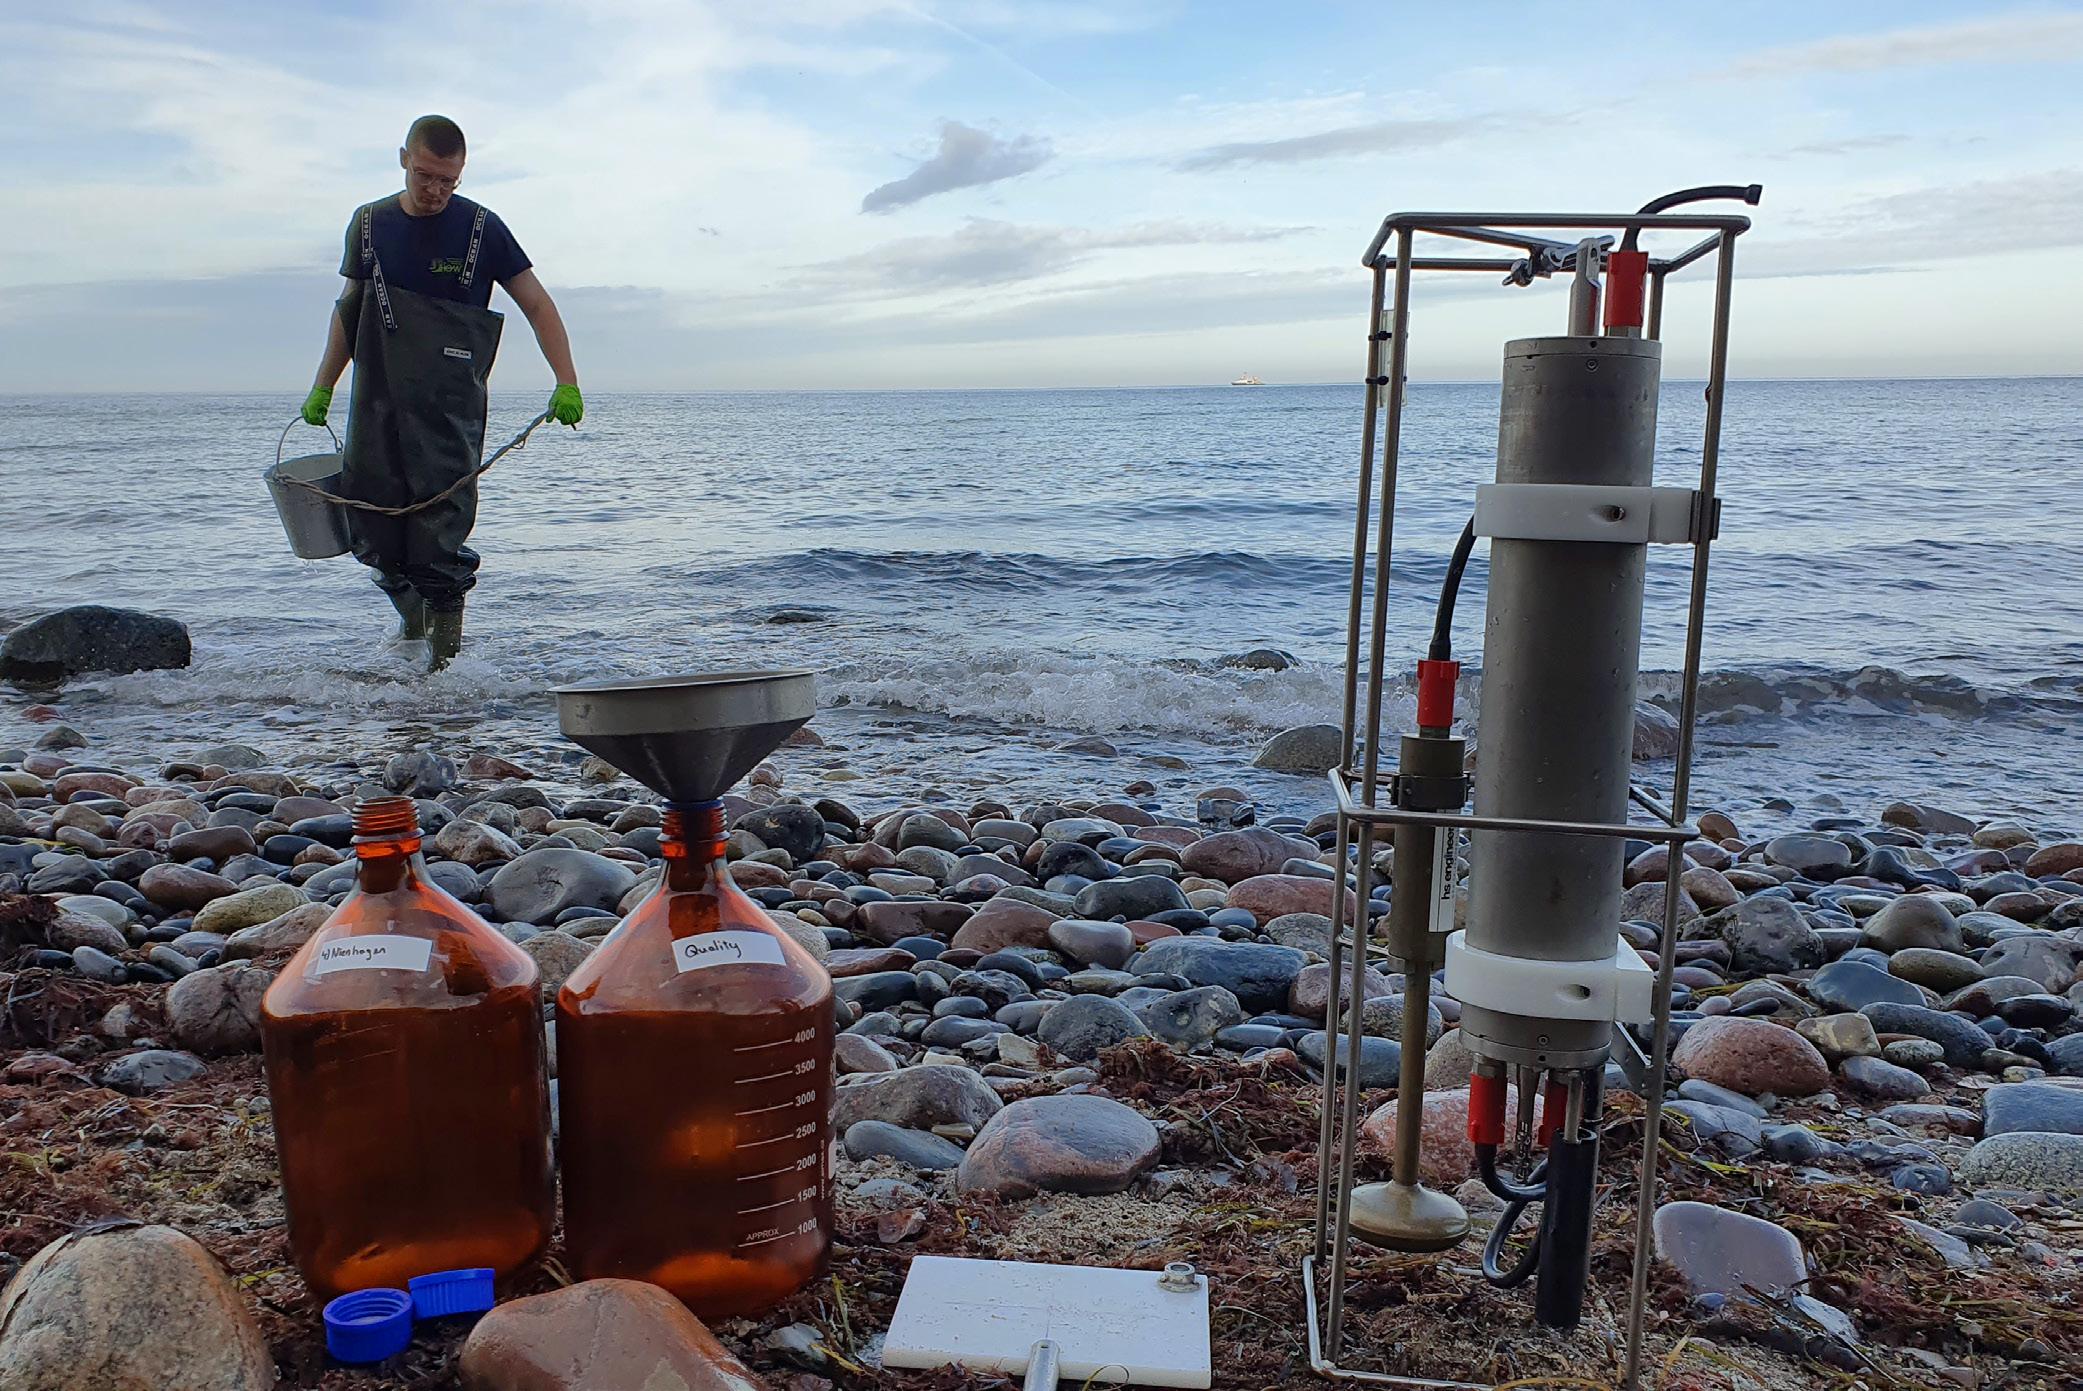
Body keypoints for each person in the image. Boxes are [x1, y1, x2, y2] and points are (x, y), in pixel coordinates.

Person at [300, 114, 582, 669]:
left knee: (438, 541)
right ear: (404, 159)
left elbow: (536, 303)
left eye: (448, 181)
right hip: (377, 404)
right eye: (425, 176)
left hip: (449, 411)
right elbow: (350, 308)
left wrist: (566, 379)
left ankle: (443, 672)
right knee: (372, 531)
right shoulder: (369, 224)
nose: (435, 191)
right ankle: (414, 629)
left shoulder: (482, 228)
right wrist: (322, 387)